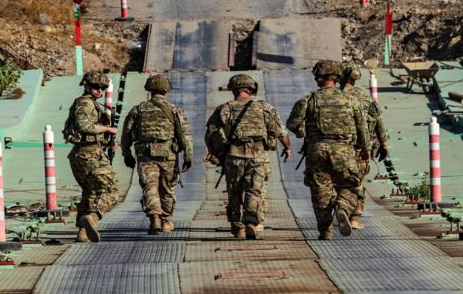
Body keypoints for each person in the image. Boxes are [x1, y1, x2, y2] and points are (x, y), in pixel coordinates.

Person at [287, 60, 369, 240]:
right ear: (337, 77)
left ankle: (325, 230)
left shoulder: (308, 100)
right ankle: (342, 206)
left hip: (317, 150)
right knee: (352, 184)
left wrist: (304, 133)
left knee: (320, 191)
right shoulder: (351, 100)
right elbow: (362, 127)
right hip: (344, 150)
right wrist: (365, 149)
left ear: (318, 77)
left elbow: (292, 124)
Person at [205, 74, 290, 239]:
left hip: (234, 156)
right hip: (257, 156)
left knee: (234, 191)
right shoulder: (265, 108)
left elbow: (210, 134)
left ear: (233, 90)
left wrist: (217, 152)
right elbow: (281, 132)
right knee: (254, 190)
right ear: (251, 89)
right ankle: (251, 221)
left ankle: (238, 228)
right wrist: (287, 148)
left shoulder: (225, 108)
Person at [121, 74, 193, 235]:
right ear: (166, 90)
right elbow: (184, 135)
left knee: (150, 186)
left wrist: (127, 154)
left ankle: (155, 216)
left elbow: (126, 134)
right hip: (168, 154)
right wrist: (188, 155)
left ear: (149, 89)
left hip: (145, 154)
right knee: (167, 188)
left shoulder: (138, 109)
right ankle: (166, 220)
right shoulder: (174, 110)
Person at [62, 70, 119, 243]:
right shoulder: (85, 103)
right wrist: (107, 129)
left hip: (82, 153)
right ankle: (93, 217)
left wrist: (108, 140)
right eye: (95, 87)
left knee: (90, 192)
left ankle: (83, 232)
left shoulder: (90, 104)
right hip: (89, 153)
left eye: (102, 87)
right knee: (112, 191)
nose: (99, 91)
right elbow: (83, 125)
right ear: (86, 85)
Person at [341, 62, 389, 229]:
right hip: (361, 149)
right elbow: (379, 122)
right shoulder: (366, 99)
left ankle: (339, 210)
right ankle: (354, 216)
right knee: (358, 181)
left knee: (335, 181)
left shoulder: (335, 96)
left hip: (339, 147)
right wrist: (384, 144)